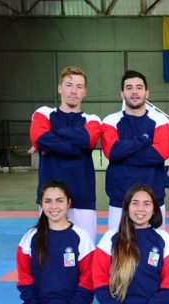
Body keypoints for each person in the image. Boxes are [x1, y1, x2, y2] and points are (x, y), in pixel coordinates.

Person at [16, 180, 94, 304]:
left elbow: (88, 279)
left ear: (68, 203)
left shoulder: (81, 237)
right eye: (48, 201)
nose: (54, 207)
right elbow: (24, 278)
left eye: (59, 200)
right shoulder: (30, 237)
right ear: (41, 204)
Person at [29, 66, 101, 243]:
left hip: (83, 197)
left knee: (85, 251)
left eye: (79, 86)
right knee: (49, 250)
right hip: (50, 199)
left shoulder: (93, 119)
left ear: (84, 92)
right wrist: (77, 148)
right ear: (60, 88)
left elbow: (87, 139)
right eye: (69, 85)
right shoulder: (43, 113)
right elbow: (40, 137)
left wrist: (52, 138)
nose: (73, 91)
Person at [101, 70, 169, 230]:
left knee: (155, 246)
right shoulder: (111, 120)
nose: (134, 92)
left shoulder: (160, 120)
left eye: (139, 87)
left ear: (147, 93)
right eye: (129, 87)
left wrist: (123, 153)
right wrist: (143, 143)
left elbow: (160, 154)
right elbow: (111, 152)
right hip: (120, 200)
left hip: (153, 199)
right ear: (122, 93)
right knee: (118, 245)